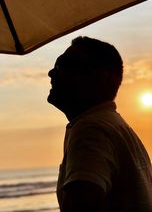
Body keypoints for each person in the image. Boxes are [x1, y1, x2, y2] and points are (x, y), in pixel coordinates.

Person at [47, 36, 152, 212]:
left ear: (97, 78)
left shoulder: (92, 130)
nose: (51, 73)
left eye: (62, 65)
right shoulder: (112, 125)